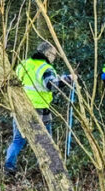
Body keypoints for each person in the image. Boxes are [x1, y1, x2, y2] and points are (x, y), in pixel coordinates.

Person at [5, 42, 69, 175]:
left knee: (18, 140)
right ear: (47, 54)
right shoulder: (45, 67)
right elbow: (51, 85)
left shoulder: (24, 64)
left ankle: (9, 167)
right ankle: (54, 169)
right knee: (47, 142)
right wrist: (68, 79)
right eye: (53, 54)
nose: (54, 57)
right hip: (40, 109)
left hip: (20, 107)